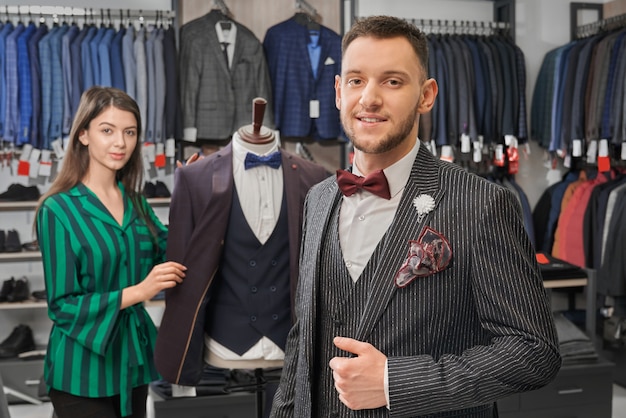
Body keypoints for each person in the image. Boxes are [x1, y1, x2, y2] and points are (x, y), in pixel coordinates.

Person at [270, 15, 561, 417]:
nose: (369, 98)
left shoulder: (482, 203)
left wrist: (395, 382)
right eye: (356, 80)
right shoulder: (318, 199)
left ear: (426, 96)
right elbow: (303, 336)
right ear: (338, 92)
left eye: (392, 81)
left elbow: (534, 352)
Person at [154, 98, 328, 417]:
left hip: (289, 344)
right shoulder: (194, 178)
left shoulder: (315, 177)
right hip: (224, 345)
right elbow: (179, 269)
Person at [35, 86, 187, 418]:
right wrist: (139, 291)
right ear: (84, 135)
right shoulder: (58, 210)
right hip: (81, 371)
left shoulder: (136, 203)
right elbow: (62, 305)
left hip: (131, 362)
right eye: (108, 130)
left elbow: (174, 257)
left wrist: (194, 191)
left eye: (129, 132)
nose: (120, 142)